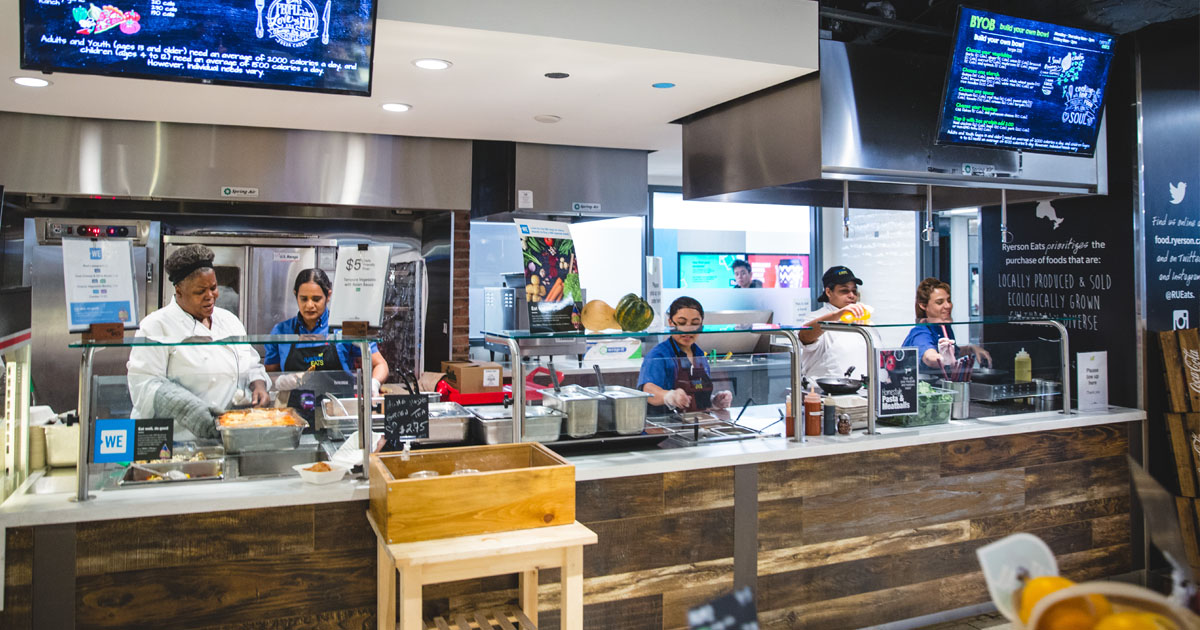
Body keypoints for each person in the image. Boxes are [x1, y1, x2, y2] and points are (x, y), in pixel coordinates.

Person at [127, 244, 270, 439]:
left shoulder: (229, 320)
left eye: (213, 288)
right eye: (200, 291)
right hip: (177, 440)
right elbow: (143, 386)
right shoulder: (155, 326)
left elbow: (251, 363)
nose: (210, 296)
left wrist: (259, 385)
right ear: (179, 291)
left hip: (225, 435)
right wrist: (189, 410)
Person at [264, 268, 389, 397]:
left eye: (316, 299)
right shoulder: (281, 331)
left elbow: (380, 364)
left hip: (340, 409)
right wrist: (279, 381)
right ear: (295, 295)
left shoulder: (345, 328)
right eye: (304, 299)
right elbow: (269, 374)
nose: (309, 305)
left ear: (328, 296)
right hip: (294, 413)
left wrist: (374, 383)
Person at [637, 296, 733, 414]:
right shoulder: (658, 355)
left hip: (695, 424)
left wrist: (714, 402)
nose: (688, 330)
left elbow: (696, 393)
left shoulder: (699, 355)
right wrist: (669, 396)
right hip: (665, 425)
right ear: (671, 323)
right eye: (682, 323)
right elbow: (648, 391)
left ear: (701, 325)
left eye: (695, 323)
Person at [798, 265, 878, 378]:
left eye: (854, 291)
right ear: (828, 292)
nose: (851, 296)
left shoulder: (865, 322)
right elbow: (804, 336)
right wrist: (837, 314)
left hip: (864, 392)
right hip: (825, 393)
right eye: (844, 291)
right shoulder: (816, 317)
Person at [902, 277, 992, 369]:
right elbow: (929, 357)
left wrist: (971, 348)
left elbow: (953, 352)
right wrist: (944, 359)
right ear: (923, 306)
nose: (948, 305)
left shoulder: (943, 328)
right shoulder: (920, 332)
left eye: (948, 300)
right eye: (939, 302)